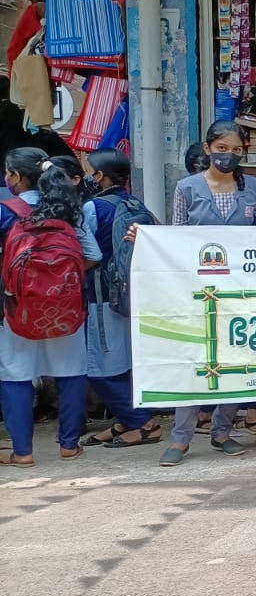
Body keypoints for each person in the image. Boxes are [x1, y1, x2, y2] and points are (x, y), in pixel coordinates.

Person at [147, 121, 256, 464]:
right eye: (221, 149)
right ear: (207, 150)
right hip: (197, 292)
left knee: (234, 362)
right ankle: (180, 439)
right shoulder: (187, 188)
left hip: (240, 292)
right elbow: (176, 237)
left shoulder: (254, 189)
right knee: (193, 364)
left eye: (236, 150)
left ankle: (222, 431)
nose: (228, 156)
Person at [0, 149, 102, 467]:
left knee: (15, 374)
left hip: (16, 307)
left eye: (7, 173)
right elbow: (94, 254)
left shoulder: (5, 212)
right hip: (65, 309)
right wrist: (59, 285)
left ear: (16, 177)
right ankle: (69, 445)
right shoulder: (69, 209)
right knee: (70, 372)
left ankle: (23, 452)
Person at [72, 150, 156, 450]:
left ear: (99, 176)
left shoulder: (94, 207)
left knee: (100, 368)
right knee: (129, 364)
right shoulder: (135, 203)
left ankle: (143, 423)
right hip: (135, 294)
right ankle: (125, 421)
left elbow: (88, 253)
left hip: (102, 295)